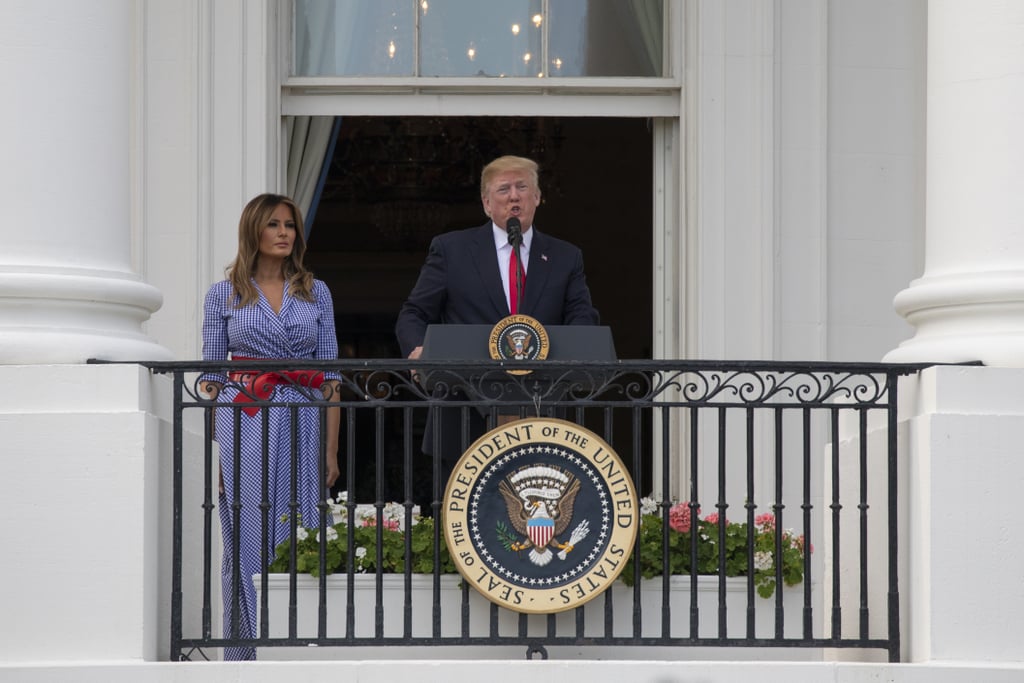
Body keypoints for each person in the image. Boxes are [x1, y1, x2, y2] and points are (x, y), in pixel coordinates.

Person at [395, 155, 599, 503]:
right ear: (487, 203)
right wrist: (417, 351)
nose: (514, 197)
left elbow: (582, 319)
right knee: (461, 521)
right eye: (503, 189)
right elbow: (414, 313)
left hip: (540, 410)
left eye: (523, 187)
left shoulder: (566, 257)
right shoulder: (452, 249)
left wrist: (576, 350)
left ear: (538, 198)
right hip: (463, 411)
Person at [201, 193, 340, 660]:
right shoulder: (223, 295)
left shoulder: (315, 291)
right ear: (254, 232)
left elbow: (331, 377)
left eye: (290, 225)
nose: (284, 233)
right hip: (246, 416)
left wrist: (332, 452)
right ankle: (243, 652)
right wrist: (215, 449)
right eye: (274, 224)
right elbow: (210, 377)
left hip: (303, 414)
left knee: (301, 525)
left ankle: (297, 648)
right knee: (246, 529)